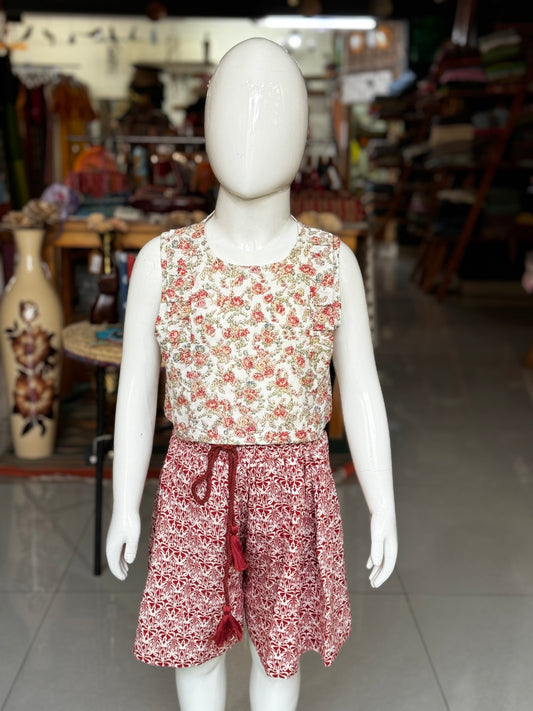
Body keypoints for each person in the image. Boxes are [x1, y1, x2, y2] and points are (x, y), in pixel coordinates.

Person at [106, 37, 397, 711]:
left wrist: (382, 501)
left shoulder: (330, 263)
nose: (251, 129)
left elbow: (360, 388)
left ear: (303, 134)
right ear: (202, 129)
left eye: (273, 112)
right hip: (194, 477)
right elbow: (135, 393)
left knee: (277, 647)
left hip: (293, 481)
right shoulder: (164, 261)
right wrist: (125, 503)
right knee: (196, 649)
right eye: (232, 110)